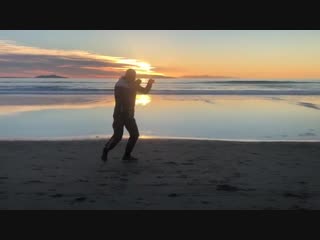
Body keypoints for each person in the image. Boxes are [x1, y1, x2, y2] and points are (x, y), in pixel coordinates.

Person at [101, 69, 155, 162]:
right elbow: (124, 98)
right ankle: (106, 150)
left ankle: (127, 155)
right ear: (127, 76)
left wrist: (149, 83)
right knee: (118, 136)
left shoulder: (132, 84)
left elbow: (145, 91)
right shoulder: (120, 85)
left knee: (134, 135)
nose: (134, 78)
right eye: (132, 76)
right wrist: (134, 85)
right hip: (119, 114)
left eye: (134, 76)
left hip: (129, 115)